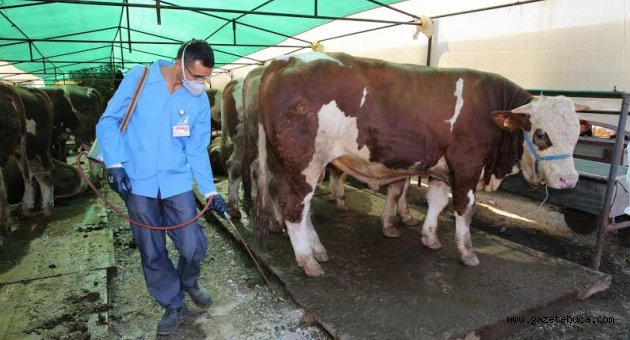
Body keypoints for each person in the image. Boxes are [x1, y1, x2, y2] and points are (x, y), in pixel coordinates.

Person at [95, 39, 228, 335]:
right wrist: (115, 164)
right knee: (151, 250)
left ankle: (189, 279)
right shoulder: (140, 78)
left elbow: (196, 148)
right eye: (196, 75)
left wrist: (209, 191)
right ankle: (173, 303)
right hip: (137, 182)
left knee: (192, 245)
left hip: (176, 181)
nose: (201, 82)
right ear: (179, 62)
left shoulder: (197, 101)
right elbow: (108, 121)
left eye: (206, 77)